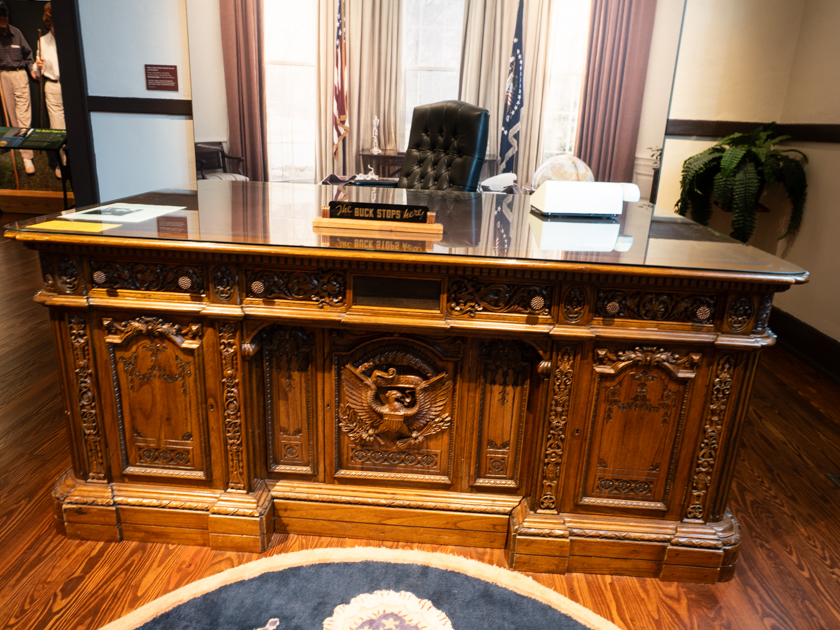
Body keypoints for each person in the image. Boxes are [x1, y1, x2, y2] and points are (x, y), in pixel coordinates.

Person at [0, 0, 37, 175]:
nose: (2, 17)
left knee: (24, 116)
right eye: (0, 14)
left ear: (8, 15)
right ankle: (21, 153)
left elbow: (29, 56)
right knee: (12, 118)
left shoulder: (17, 33)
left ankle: (28, 156)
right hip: (3, 76)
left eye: (4, 14)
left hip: (19, 73)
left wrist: (31, 70)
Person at [34, 2, 63, 179]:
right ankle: (61, 162)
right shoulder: (42, 41)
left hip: (71, 88)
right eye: (51, 23)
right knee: (58, 129)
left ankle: (75, 162)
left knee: (74, 127)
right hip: (52, 86)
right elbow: (36, 72)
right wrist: (37, 66)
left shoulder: (70, 38)